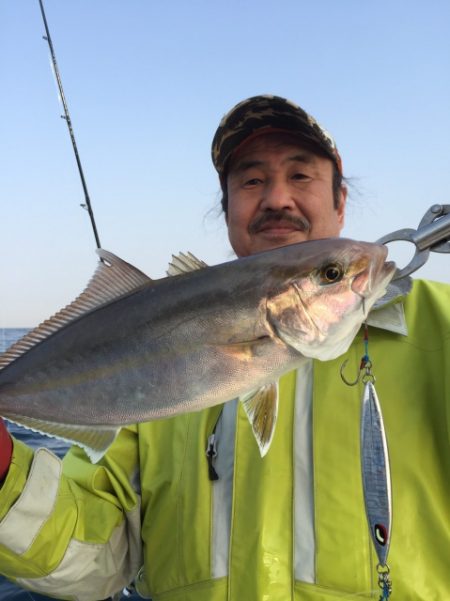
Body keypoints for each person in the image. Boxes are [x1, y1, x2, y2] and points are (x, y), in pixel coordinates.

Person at [0, 95, 449, 601]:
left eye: (301, 176)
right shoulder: (150, 366)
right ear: (228, 208)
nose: (278, 197)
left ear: (340, 202)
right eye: (251, 180)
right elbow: (94, 560)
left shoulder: (443, 328)